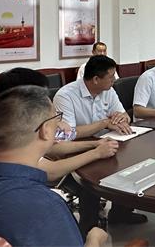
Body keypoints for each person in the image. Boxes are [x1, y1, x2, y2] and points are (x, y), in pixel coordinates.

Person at [0, 85, 109, 247]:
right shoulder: (45, 206)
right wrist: (94, 239)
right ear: (45, 130)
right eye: (57, 118)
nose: (59, 124)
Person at [0, 68, 119, 181]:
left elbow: (53, 147)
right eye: (42, 97)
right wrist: (96, 153)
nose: (47, 101)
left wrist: (95, 144)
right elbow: (50, 172)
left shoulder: (16, 119)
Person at [54, 56, 145, 226]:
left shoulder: (108, 90)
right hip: (77, 148)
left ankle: (120, 214)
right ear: (96, 79)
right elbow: (67, 135)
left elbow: (124, 115)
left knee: (131, 162)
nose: (114, 80)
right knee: (92, 180)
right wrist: (104, 123)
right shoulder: (66, 96)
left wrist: (122, 118)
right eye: (111, 77)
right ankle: (89, 227)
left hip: (107, 141)